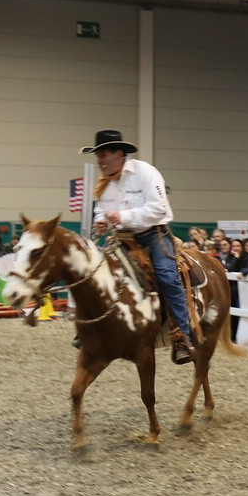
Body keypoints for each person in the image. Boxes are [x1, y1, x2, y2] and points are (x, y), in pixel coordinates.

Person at [82, 128, 196, 364]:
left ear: (119, 154)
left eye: (103, 155)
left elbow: (158, 209)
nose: (99, 161)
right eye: (98, 156)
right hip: (124, 237)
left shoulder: (145, 172)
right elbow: (101, 211)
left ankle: (183, 337)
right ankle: (94, 328)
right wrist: (101, 221)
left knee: (167, 276)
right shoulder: (105, 183)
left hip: (154, 233)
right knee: (97, 274)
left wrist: (122, 217)